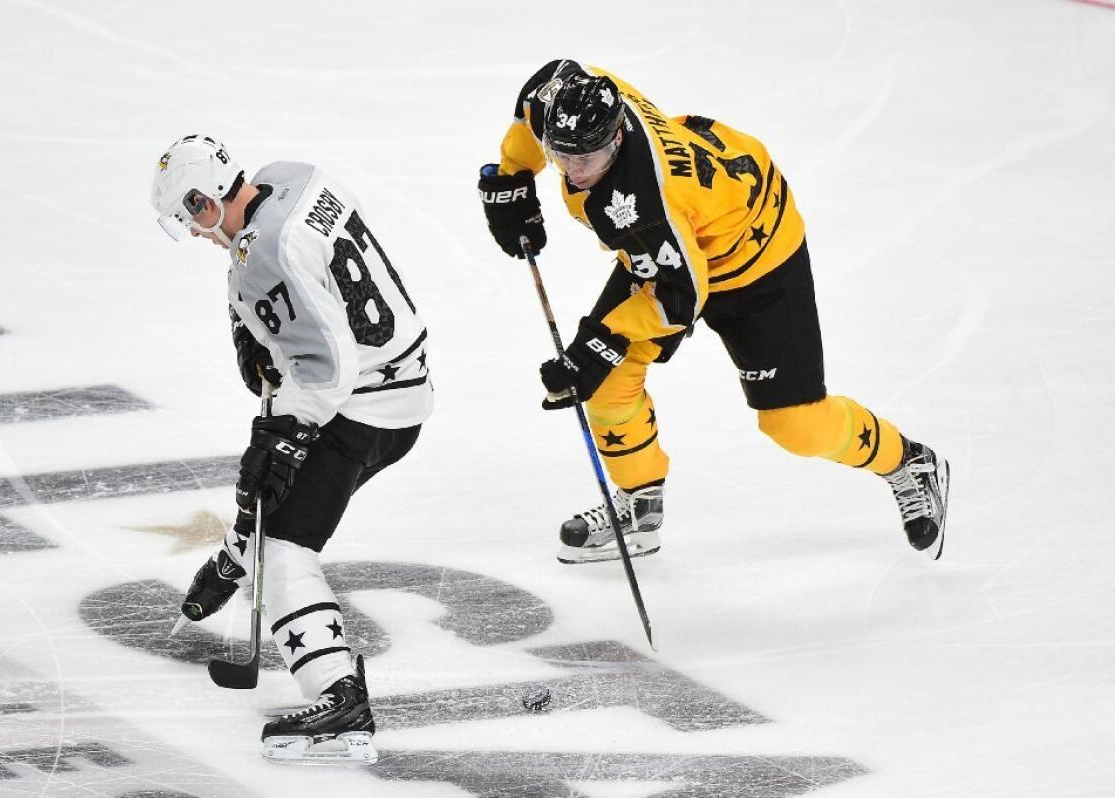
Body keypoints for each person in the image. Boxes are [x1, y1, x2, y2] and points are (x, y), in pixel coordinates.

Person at [477, 61, 949, 565]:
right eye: (559, 156)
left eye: (585, 158)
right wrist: (514, 172)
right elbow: (539, 94)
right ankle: (640, 509)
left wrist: (598, 339)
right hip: (685, 242)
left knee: (795, 425)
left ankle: (908, 462)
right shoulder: (573, 102)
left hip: (756, 259)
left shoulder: (643, 202)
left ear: (617, 138)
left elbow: (678, 300)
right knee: (609, 379)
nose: (571, 170)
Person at [150, 135, 432, 763]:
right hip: (400, 384)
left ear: (205, 200)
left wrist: (283, 438)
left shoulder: (260, 254)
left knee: (284, 547)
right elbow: (318, 294)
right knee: (273, 504)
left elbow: (327, 370)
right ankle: (234, 562)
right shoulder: (293, 178)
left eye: (190, 215)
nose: (195, 232)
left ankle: (339, 700)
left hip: (364, 406)